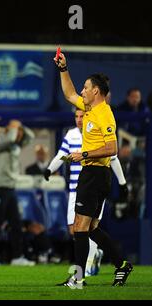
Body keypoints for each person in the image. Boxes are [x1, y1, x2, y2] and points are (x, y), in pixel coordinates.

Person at [54, 51, 133, 288]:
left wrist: (83, 154)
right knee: (90, 228)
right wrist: (63, 68)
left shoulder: (104, 114)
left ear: (96, 91)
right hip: (93, 174)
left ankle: (78, 278)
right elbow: (68, 93)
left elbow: (112, 147)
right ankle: (121, 264)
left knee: (80, 226)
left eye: (86, 87)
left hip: (96, 174)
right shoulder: (89, 108)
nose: (83, 91)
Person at [44, 109, 128, 278]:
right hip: (78, 187)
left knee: (84, 228)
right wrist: (49, 169)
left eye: (82, 116)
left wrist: (122, 182)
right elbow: (62, 155)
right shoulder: (72, 134)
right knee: (81, 229)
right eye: (76, 116)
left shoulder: (96, 130)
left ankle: (82, 272)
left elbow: (113, 157)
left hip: (92, 184)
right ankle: (119, 263)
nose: (79, 119)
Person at [0, 120, 36, 266]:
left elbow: (30, 136)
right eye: (16, 132)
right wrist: (11, 129)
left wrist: (20, 126)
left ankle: (17, 257)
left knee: (16, 223)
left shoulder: (15, 146)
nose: (19, 135)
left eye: (19, 132)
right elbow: (9, 139)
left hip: (10, 188)